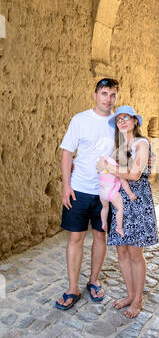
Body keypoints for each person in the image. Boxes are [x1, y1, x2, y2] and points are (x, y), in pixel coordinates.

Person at [55, 78, 119, 310]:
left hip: (106, 192)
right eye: (104, 93)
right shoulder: (80, 120)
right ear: (95, 95)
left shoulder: (118, 123)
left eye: (112, 95)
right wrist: (66, 186)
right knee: (75, 238)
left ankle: (94, 280)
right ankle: (73, 287)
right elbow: (66, 153)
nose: (108, 99)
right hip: (80, 189)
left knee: (100, 237)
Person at [97, 105, 159, 318]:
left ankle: (138, 300)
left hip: (137, 201)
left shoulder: (142, 143)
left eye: (127, 118)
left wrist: (110, 168)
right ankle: (130, 295)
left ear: (135, 121)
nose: (122, 121)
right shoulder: (119, 146)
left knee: (134, 252)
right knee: (121, 251)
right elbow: (100, 166)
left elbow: (134, 174)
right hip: (119, 200)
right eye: (119, 119)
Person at [98, 155, 137, 237]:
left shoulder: (103, 160)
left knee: (105, 208)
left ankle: (103, 223)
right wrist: (130, 194)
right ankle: (119, 228)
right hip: (111, 192)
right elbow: (124, 182)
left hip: (102, 192)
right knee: (120, 209)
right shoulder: (117, 169)